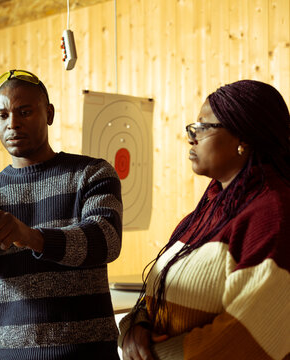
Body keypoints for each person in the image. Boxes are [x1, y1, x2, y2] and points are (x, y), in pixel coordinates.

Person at [0, 69, 123, 359]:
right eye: (3, 115)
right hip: (9, 354)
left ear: (49, 113)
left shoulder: (92, 173)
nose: (13, 124)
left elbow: (106, 240)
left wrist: (31, 237)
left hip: (87, 353)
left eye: (24, 112)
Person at [119, 80, 290, 360]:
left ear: (243, 138)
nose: (191, 136)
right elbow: (154, 293)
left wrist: (155, 355)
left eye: (203, 127)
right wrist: (135, 325)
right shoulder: (205, 212)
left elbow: (247, 337)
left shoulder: (274, 214)